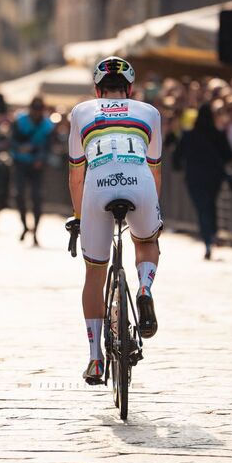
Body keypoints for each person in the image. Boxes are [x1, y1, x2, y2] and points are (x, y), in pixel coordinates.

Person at [66, 56, 162, 385]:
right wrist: (153, 211)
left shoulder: (81, 111)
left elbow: (76, 175)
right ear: (130, 89)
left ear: (97, 90)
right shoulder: (149, 112)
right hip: (140, 183)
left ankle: (95, 359)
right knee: (146, 241)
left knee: (95, 272)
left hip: (97, 187)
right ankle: (145, 287)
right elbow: (155, 169)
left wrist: (79, 217)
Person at [173, 103, 232, 260]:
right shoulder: (217, 134)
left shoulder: (189, 135)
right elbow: (229, 155)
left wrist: (180, 166)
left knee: (202, 209)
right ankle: (212, 234)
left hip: (195, 178)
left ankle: (208, 239)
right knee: (210, 205)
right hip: (214, 177)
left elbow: (177, 156)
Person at [11, 97, 54, 246]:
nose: (36, 113)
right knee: (20, 196)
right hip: (21, 164)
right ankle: (24, 226)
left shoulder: (48, 125)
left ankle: (35, 231)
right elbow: (12, 141)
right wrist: (20, 148)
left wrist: (41, 159)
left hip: (37, 167)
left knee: (37, 198)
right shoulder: (20, 121)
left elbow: (49, 147)